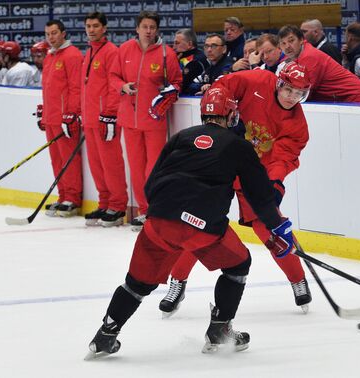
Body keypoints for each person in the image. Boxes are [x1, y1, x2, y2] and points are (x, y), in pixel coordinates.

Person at [87, 86, 295, 357]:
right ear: (231, 113)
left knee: (136, 283)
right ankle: (219, 330)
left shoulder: (181, 137)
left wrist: (166, 209)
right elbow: (261, 197)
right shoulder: (239, 146)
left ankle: (105, 335)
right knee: (238, 264)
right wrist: (278, 228)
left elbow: (150, 187)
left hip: (160, 221)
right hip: (203, 227)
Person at [159, 62, 312, 317]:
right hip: (221, 162)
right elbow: (221, 87)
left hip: (254, 173)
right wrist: (222, 118)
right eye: (289, 90)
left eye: (299, 94)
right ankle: (177, 281)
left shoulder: (297, 125)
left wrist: (272, 186)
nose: (292, 98)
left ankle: (298, 279)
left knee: (269, 228)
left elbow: (282, 158)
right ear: (278, 83)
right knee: (200, 224)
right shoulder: (255, 81)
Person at [109, 11, 182, 230]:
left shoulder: (166, 54)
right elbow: (112, 76)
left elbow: (177, 82)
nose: (148, 31)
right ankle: (143, 210)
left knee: (154, 168)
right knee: (136, 168)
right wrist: (122, 87)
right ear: (137, 29)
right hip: (129, 119)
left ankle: (154, 209)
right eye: (145, 27)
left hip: (154, 119)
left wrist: (169, 93)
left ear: (157, 29)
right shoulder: (124, 50)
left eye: (152, 27)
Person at [81, 12, 128, 227]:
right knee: (96, 165)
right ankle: (104, 202)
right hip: (89, 119)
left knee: (111, 164)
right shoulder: (89, 52)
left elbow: (113, 85)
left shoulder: (111, 52)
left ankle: (117, 206)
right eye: (88, 26)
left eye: (95, 26)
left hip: (105, 118)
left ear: (105, 28)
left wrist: (109, 113)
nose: (91, 30)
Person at [39, 20, 83, 217]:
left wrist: (71, 113)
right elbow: (49, 88)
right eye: (48, 34)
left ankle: (72, 198)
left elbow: (76, 87)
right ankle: (62, 194)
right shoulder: (49, 56)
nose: (51, 37)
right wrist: (43, 111)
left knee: (68, 159)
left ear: (63, 34)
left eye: (54, 33)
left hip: (65, 118)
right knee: (56, 159)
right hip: (51, 117)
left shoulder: (72, 55)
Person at [278, 25, 360, 104]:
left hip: (356, 99)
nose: (287, 47)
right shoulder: (294, 58)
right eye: (283, 43)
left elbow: (304, 93)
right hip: (344, 100)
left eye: (291, 41)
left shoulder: (309, 56)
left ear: (301, 40)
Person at [173, 28, 208, 95]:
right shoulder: (178, 57)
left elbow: (182, 84)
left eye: (177, 43)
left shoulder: (197, 60)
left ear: (189, 44)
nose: (174, 47)